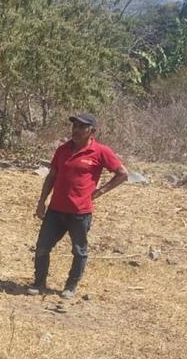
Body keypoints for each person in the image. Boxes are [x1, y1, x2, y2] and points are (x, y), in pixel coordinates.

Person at [27, 113, 128, 299]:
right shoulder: (62, 149)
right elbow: (51, 176)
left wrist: (100, 192)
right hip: (56, 211)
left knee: (79, 251)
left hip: (80, 213)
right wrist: (41, 201)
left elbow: (122, 174)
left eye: (82, 127)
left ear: (92, 131)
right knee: (42, 246)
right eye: (75, 126)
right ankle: (39, 282)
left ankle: (71, 285)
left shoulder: (100, 151)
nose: (77, 130)